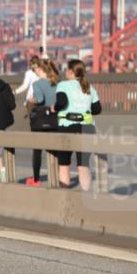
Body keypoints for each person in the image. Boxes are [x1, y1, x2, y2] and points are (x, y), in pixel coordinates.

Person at [55, 61, 101, 190]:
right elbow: (97, 109)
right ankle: (85, 195)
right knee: (83, 165)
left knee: (64, 164)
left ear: (70, 71)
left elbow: (62, 103)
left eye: (66, 70)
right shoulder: (89, 87)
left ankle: (65, 197)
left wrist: (55, 108)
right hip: (87, 128)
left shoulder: (63, 85)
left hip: (67, 127)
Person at [25, 59, 60, 186]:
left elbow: (40, 100)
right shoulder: (57, 82)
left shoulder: (37, 84)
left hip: (41, 121)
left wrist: (30, 100)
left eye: (35, 71)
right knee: (55, 151)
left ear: (40, 69)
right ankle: (56, 178)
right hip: (55, 120)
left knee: (37, 151)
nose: (35, 73)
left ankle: (36, 180)